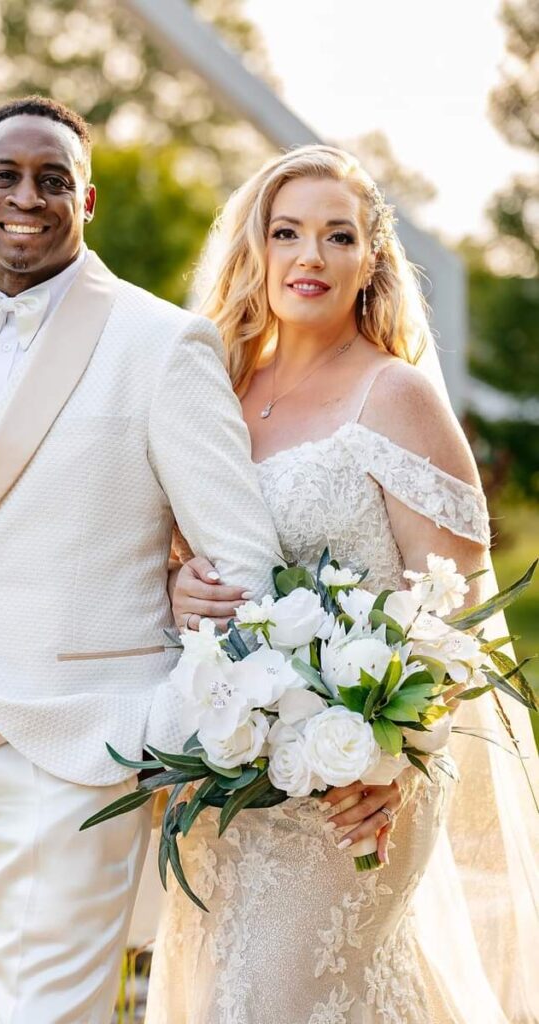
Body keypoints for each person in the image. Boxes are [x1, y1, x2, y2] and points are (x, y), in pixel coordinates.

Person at [0, 96, 284, 1024]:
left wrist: (161, 727)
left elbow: (247, 564)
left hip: (80, 756)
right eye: (4, 174)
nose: (26, 196)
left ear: (87, 205)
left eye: (54, 179)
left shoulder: (161, 344)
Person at [145, 145, 538, 1023]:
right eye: (287, 233)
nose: (309, 257)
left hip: (357, 788)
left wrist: (397, 760)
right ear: (257, 249)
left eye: (336, 236)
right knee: (219, 995)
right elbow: (179, 553)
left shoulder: (394, 395)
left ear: (372, 261)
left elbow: (457, 611)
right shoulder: (220, 389)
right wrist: (180, 591)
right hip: (227, 777)